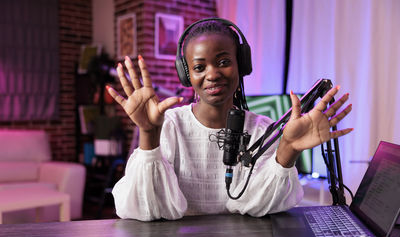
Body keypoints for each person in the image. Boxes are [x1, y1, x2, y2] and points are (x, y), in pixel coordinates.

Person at [107, 18, 353, 222]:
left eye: (223, 62)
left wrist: (287, 150)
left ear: (241, 65)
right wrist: (149, 135)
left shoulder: (262, 129)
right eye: (199, 67)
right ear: (187, 75)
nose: (212, 74)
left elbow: (261, 206)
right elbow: (141, 209)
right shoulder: (170, 125)